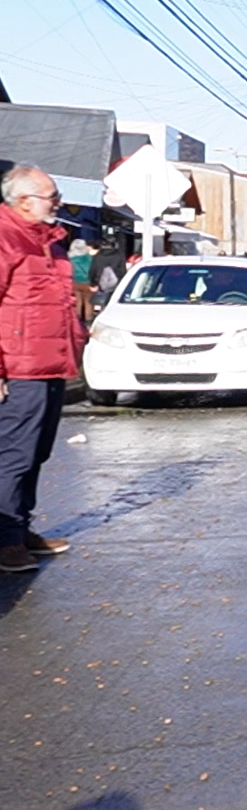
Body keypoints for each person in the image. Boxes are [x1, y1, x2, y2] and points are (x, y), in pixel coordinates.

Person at [0, 166, 82, 571]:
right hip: (19, 367)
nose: (58, 203)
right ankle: (6, 539)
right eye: (52, 196)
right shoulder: (6, 237)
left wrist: (78, 340)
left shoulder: (49, 241)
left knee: (36, 451)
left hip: (49, 363)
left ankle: (20, 528)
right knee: (14, 454)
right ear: (24, 201)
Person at [68, 239, 94, 324]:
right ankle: (88, 320)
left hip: (74, 282)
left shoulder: (69, 258)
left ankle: (77, 319)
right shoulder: (89, 258)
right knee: (88, 302)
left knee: (77, 301)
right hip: (87, 282)